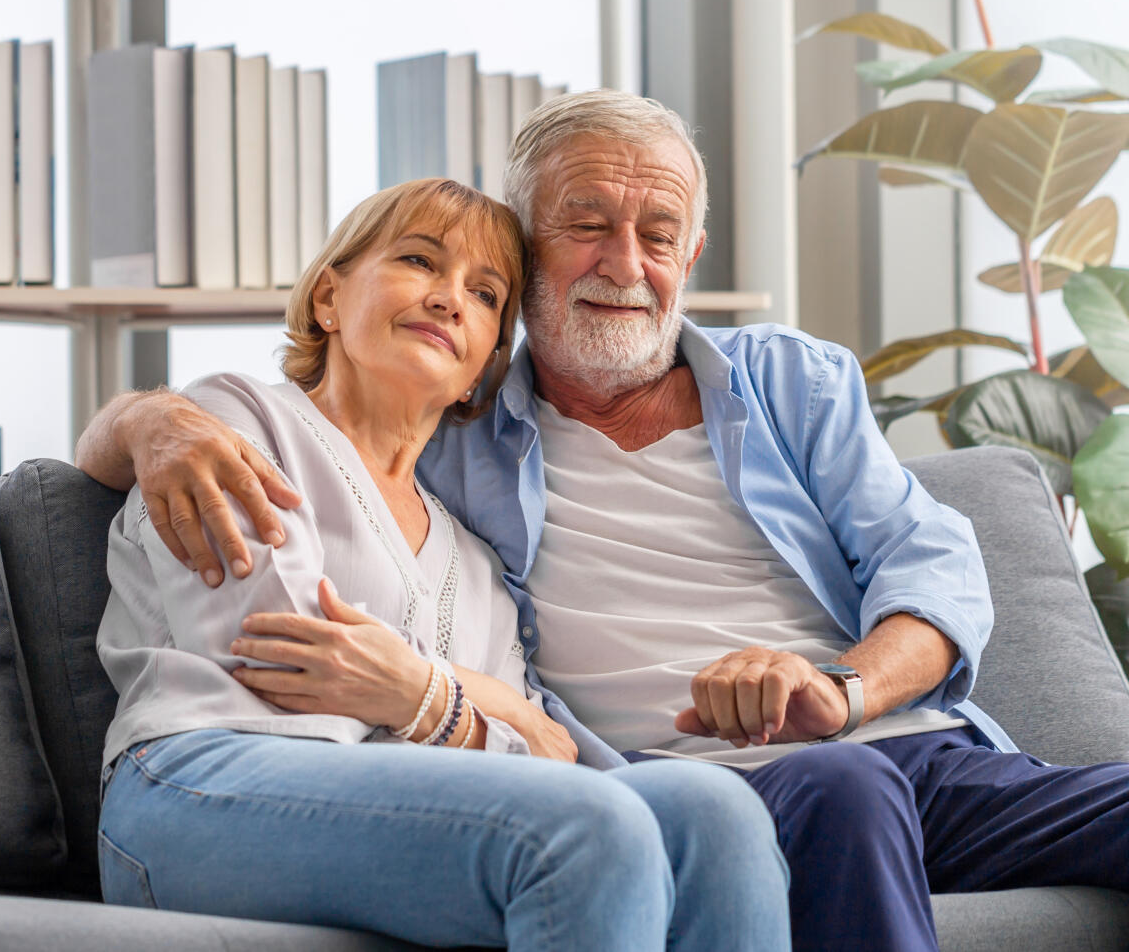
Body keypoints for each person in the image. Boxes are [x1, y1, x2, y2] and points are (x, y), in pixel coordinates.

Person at [80, 90, 1129, 952]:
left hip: (909, 750)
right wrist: (157, 422)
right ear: (533, 257)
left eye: (657, 231)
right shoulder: (462, 425)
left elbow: (930, 570)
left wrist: (839, 691)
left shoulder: (789, 383)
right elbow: (268, 506)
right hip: (729, 785)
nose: (623, 259)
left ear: (690, 252)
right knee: (826, 794)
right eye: (583, 223)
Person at [92, 175, 788, 952]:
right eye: (420, 262)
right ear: (329, 298)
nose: (451, 298)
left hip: (399, 814)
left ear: (489, 360)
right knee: (589, 823)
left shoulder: (475, 558)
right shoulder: (234, 418)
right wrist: (470, 705)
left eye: (486, 294)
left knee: (715, 810)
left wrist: (423, 695)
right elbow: (281, 656)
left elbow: (549, 752)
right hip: (198, 783)